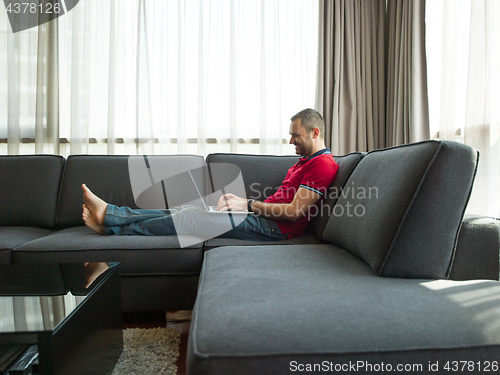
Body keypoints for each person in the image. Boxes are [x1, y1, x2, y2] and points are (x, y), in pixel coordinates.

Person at [81, 109, 339, 242]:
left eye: (296, 134)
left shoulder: (323, 165)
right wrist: (248, 208)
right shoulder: (304, 162)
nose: (291, 140)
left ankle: (111, 225)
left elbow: (294, 212)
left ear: (315, 133)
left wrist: (247, 204)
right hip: (261, 218)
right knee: (186, 210)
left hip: (275, 230)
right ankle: (112, 216)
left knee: (191, 218)